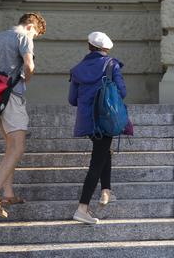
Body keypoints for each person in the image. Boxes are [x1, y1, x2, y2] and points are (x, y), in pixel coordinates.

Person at [0, 12, 46, 218]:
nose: (34, 38)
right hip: (11, 96)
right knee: (19, 146)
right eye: (36, 34)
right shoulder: (24, 38)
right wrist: (25, 79)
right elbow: (29, 65)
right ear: (31, 26)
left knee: (10, 146)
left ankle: (8, 193)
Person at [68, 32, 126, 224]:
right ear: (106, 48)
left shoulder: (77, 69)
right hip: (106, 118)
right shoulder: (111, 64)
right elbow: (122, 92)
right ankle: (82, 208)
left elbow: (72, 100)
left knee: (103, 152)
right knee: (96, 162)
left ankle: (105, 191)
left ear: (89, 46)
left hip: (88, 121)